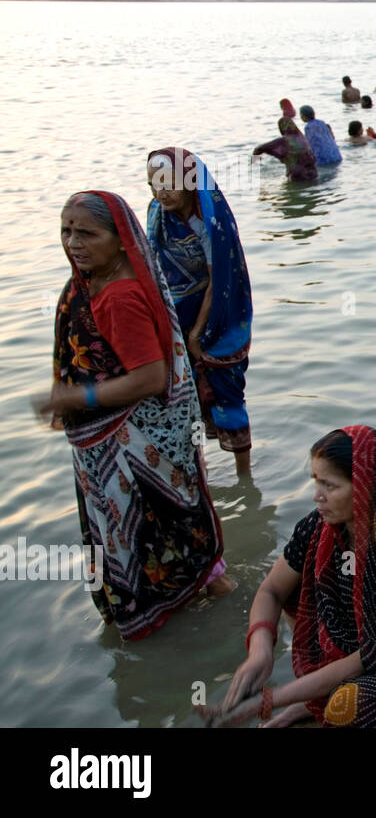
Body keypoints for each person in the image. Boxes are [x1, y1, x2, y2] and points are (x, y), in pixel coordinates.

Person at [34, 191, 231, 639]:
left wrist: (74, 398)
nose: (73, 242)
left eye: (87, 233)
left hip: (131, 445)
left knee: (154, 536)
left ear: (120, 240)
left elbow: (149, 379)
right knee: (170, 538)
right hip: (115, 443)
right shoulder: (92, 283)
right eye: (66, 230)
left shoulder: (118, 298)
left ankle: (169, 647)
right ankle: (206, 603)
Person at [206, 426, 376, 728]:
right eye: (316, 482)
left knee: (348, 707)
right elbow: (272, 590)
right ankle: (311, 702)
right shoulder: (318, 528)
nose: (317, 496)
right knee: (296, 590)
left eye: (330, 485)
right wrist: (260, 650)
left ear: (367, 487)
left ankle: (316, 701)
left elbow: (370, 657)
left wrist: (274, 698)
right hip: (367, 647)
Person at [146, 148, 255, 477]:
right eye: (153, 184)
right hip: (173, 316)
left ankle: (245, 481)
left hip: (218, 318)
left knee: (228, 394)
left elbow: (219, 278)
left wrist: (197, 334)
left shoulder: (209, 221)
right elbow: (150, 264)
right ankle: (195, 475)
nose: (160, 192)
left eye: (168, 183)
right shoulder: (157, 213)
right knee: (181, 397)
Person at [253, 118, 318, 182]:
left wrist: (254, 163)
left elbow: (259, 148)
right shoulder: (303, 138)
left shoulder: (283, 141)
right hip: (314, 174)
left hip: (298, 176)